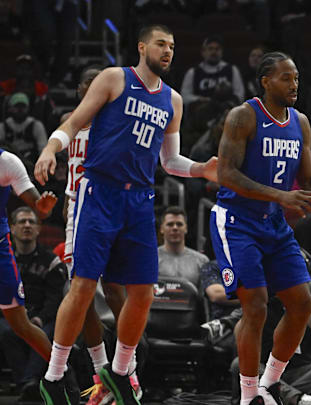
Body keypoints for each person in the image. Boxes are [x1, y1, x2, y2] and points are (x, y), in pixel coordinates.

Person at [33, 24, 218, 404]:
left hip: (139, 200)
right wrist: (51, 148)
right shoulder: (115, 78)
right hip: (99, 191)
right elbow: (74, 121)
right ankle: (53, 377)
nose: (168, 51)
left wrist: (201, 168)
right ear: (142, 47)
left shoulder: (173, 100)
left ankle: (119, 373)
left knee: (143, 293)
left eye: (172, 46)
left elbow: (169, 161)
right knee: (84, 286)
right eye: (161, 44)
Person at [212, 51, 311, 405]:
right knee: (257, 306)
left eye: (296, 77)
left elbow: (309, 179)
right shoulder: (243, 116)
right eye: (285, 78)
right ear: (266, 82)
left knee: (302, 304)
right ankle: (250, 397)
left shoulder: (301, 122)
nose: (294, 84)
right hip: (236, 221)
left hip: (274, 224)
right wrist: (282, 196)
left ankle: (270, 383)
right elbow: (227, 175)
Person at [57, 66, 142, 405]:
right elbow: (73, 167)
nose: (96, 89)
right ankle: (101, 372)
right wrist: (66, 200)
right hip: (78, 212)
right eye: (89, 83)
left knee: (115, 288)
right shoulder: (71, 121)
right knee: (81, 296)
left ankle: (129, 374)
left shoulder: (119, 121)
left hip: (109, 208)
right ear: (80, 89)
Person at [0, 148, 62, 394]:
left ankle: (63, 374)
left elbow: (40, 209)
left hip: (1, 251)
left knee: (21, 325)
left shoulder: (6, 161)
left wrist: (43, 207)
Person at [1, 207, 67, 401]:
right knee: (6, 332)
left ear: (39, 229)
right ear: (12, 228)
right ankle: (28, 383)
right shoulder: (4, 260)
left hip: (42, 317)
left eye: (31, 222)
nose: (27, 225)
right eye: (22, 222)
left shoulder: (52, 261)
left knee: (45, 333)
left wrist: (40, 318)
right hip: (10, 316)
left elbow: (55, 298)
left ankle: (28, 382)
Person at [158, 206, 209, 289]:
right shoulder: (150, 260)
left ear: (186, 229)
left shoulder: (201, 261)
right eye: (170, 224)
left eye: (179, 224)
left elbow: (207, 297)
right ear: (161, 229)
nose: (175, 228)